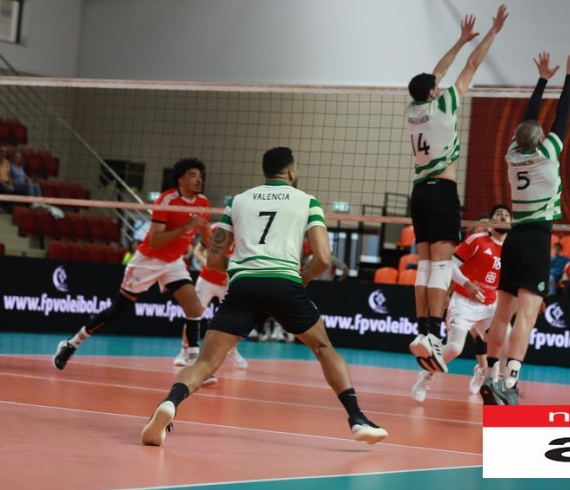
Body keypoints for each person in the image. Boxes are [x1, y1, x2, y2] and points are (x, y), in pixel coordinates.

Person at [140, 147, 387, 446]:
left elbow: (213, 259)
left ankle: (169, 404)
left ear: (265, 172)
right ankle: (357, 419)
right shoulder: (307, 201)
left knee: (204, 363)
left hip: (243, 286)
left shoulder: (237, 201)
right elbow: (323, 258)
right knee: (324, 347)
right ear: (292, 172)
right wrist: (303, 279)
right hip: (285, 284)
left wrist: (241, 272)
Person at [405, 4, 508, 372]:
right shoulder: (444, 105)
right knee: (441, 265)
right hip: (442, 192)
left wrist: (461, 39)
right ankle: (434, 334)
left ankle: (423, 332)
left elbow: (435, 74)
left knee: (425, 265)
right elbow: (471, 66)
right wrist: (491, 32)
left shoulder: (413, 110)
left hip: (419, 193)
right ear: (434, 93)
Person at [480, 48, 570, 406]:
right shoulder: (548, 152)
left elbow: (528, 119)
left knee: (502, 314)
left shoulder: (511, 155)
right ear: (539, 140)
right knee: (526, 315)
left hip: (513, 239)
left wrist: (541, 79)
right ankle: (509, 384)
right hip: (537, 239)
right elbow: (563, 115)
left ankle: (490, 377)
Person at [53, 158, 211, 371]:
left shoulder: (203, 204)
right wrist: (186, 226)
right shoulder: (167, 200)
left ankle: (193, 364)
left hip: (173, 262)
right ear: (181, 179)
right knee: (117, 311)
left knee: (194, 307)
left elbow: (207, 238)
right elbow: (155, 241)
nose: (199, 180)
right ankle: (71, 344)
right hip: (148, 261)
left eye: (200, 176)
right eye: (193, 175)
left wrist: (222, 242)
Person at [411, 204, 510, 403]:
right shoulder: (477, 240)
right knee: (455, 347)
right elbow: (450, 265)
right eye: (498, 214)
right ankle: (427, 374)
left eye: (507, 215)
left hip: (490, 306)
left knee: (506, 339)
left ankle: (497, 384)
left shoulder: (512, 249)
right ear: (490, 222)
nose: (503, 217)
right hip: (464, 303)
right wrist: (467, 284)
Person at [172, 239, 248, 373]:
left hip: (227, 283)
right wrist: (207, 262)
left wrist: (232, 274)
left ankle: (232, 350)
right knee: (194, 314)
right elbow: (197, 250)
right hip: (207, 280)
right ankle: (184, 351)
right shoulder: (215, 232)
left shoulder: (242, 236)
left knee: (233, 318)